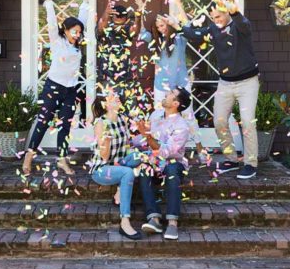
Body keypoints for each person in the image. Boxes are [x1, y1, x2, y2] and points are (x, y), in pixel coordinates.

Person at [175, 0, 260, 180]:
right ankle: (231, 158)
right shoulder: (213, 29)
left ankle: (250, 163)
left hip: (247, 83)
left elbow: (245, 25)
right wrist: (179, 7)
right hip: (225, 83)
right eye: (213, 18)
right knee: (219, 121)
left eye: (219, 16)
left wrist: (235, 11)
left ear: (227, 13)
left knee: (247, 122)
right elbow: (193, 34)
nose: (216, 20)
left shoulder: (239, 27)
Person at [23, 0, 90, 176]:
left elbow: (82, 19)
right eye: (74, 31)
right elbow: (52, 22)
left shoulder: (76, 43)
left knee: (65, 125)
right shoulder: (57, 41)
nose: (77, 34)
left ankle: (62, 159)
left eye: (79, 31)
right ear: (66, 30)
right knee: (43, 122)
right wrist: (48, 0)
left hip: (71, 89)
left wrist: (85, 1)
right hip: (53, 87)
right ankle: (29, 156)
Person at [139, 13, 208, 162]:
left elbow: (187, 26)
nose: (160, 29)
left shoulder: (180, 38)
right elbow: (141, 33)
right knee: (158, 118)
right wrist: (141, 12)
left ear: (169, 25)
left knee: (189, 117)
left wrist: (178, 5)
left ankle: (200, 148)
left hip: (180, 85)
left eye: (163, 25)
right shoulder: (155, 41)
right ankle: (160, 151)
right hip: (160, 87)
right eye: (158, 27)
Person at [135, 86, 192, 240]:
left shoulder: (182, 126)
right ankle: (154, 219)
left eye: (171, 94)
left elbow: (167, 152)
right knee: (143, 168)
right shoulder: (156, 115)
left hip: (174, 163)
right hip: (155, 162)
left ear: (176, 104)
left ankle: (172, 223)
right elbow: (145, 141)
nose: (166, 94)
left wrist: (147, 136)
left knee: (172, 169)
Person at [89, 91, 142, 240]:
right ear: (105, 104)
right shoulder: (100, 123)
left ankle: (119, 190)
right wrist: (105, 141)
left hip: (119, 164)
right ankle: (125, 221)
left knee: (141, 156)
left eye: (116, 95)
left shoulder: (122, 119)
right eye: (113, 96)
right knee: (128, 173)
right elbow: (104, 156)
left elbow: (126, 149)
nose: (118, 97)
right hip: (102, 169)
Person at [96, 0, 146, 106]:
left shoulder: (128, 28)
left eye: (121, 15)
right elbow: (101, 27)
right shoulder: (105, 28)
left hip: (126, 78)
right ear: (112, 15)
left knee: (130, 110)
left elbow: (136, 29)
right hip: (106, 77)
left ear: (126, 17)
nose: (118, 17)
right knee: (106, 110)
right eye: (116, 15)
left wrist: (139, 13)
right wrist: (106, 13)